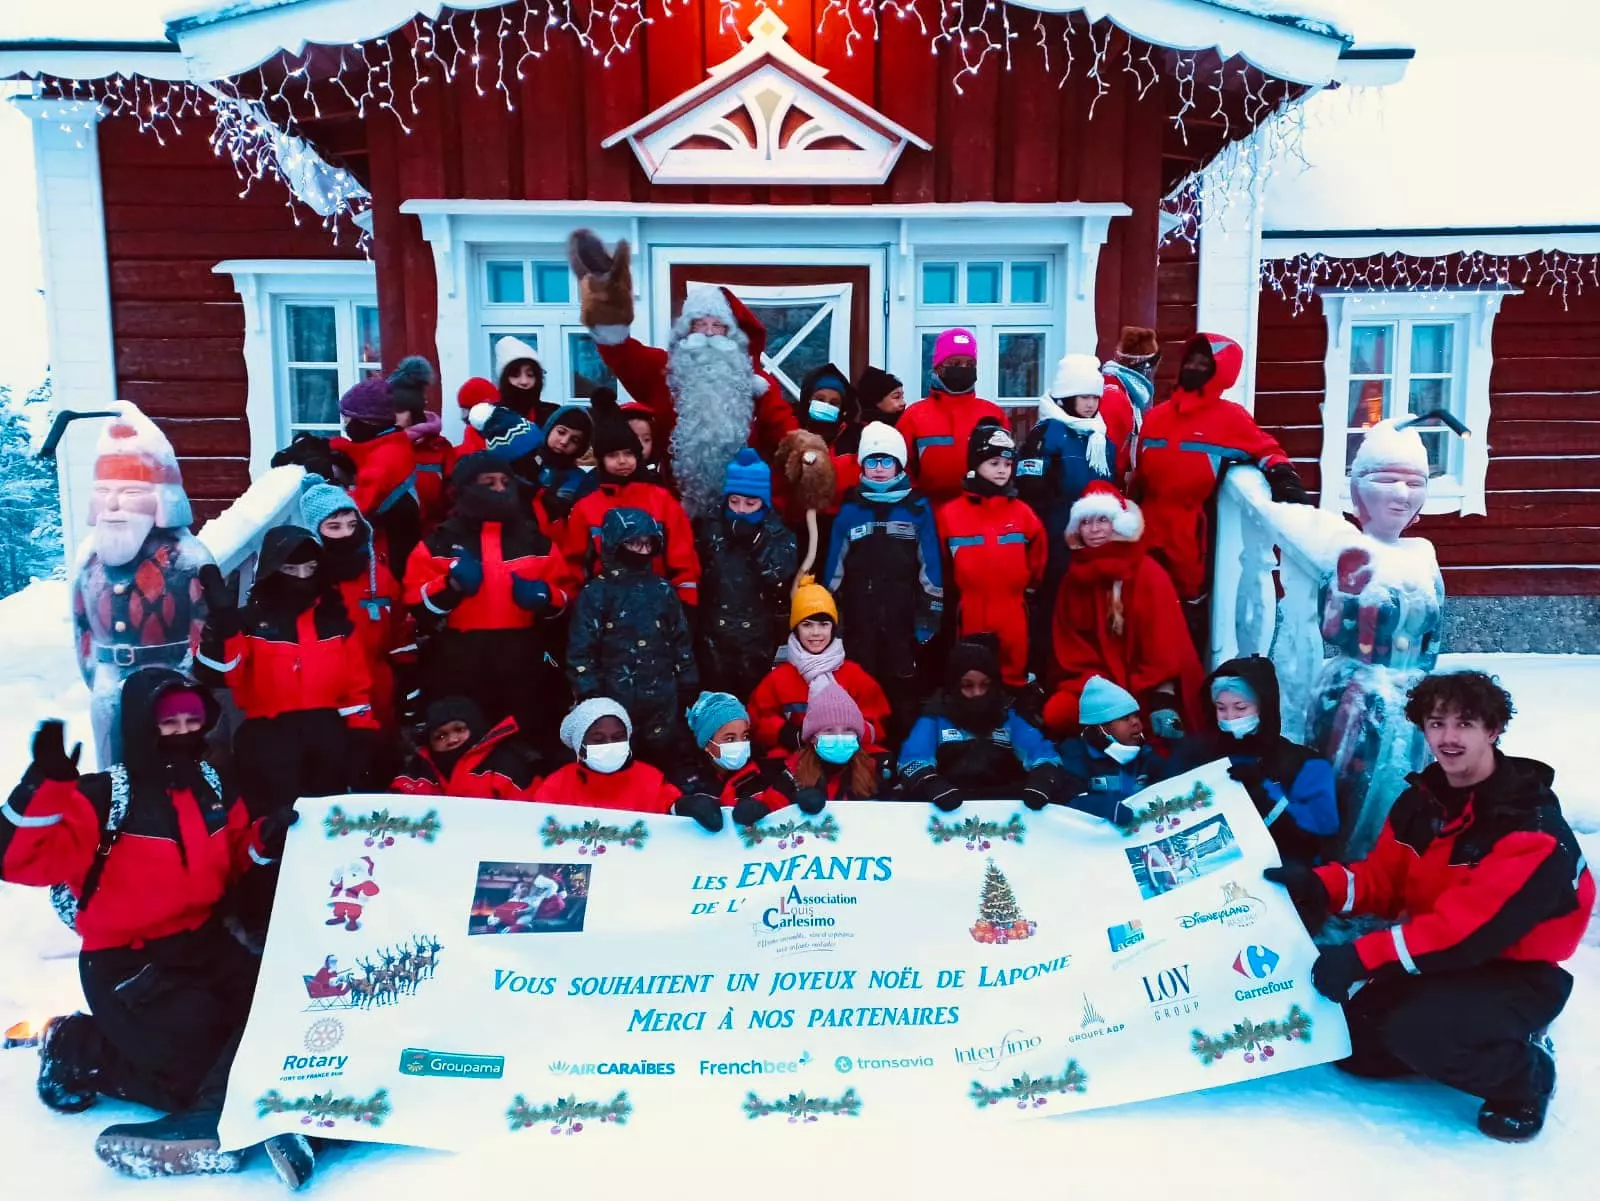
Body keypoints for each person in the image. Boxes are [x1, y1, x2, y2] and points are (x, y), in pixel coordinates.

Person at [1264, 671, 1594, 1143]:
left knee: (1422, 1034)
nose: (1449, 738)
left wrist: (1361, 957)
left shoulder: (1528, 828)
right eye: (1437, 724)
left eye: (1466, 724)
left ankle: (1527, 1076)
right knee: (1356, 1049)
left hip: (1515, 970)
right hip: (1442, 954)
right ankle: (1454, 1030)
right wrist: (1319, 886)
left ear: (1494, 730)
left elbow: (1463, 932)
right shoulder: (1423, 802)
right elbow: (1384, 881)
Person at [2, 671, 305, 1184]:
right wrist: (44, 785)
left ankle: (226, 1106)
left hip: (206, 944)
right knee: (193, 1072)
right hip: (129, 963)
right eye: (169, 722)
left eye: (192, 719)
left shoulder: (210, 787)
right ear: (142, 727)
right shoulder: (102, 798)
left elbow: (230, 858)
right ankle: (76, 1047)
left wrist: (264, 838)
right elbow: (16, 860)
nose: (183, 731)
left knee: (283, 1005)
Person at [568, 230, 796, 516]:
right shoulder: (663, 371)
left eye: (718, 325)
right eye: (701, 324)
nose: (710, 333)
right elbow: (622, 354)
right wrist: (609, 313)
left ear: (731, 332)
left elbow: (783, 429)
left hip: (742, 510)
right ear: (688, 330)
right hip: (676, 508)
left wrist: (804, 453)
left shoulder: (756, 382)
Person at [1133, 332, 1311, 626]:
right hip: (1147, 522)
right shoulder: (1157, 416)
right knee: (1142, 601)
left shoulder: (1231, 418)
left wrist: (1283, 477)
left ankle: (1184, 670)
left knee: (1185, 608)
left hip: (1191, 531)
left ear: (1221, 371)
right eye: (1191, 360)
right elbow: (1139, 469)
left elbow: (1266, 449)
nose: (1195, 366)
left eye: (1205, 362)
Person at [196, 527, 378, 814]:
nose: (303, 577)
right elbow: (222, 673)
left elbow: (356, 691)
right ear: (272, 569)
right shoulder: (251, 622)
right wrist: (222, 623)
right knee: (274, 827)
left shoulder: (336, 620)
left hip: (327, 741)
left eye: (311, 568)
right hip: (268, 743)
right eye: (292, 569)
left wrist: (362, 740)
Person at [71, 402, 213, 769]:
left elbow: (203, 619)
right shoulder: (89, 557)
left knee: (172, 761)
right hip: (108, 680)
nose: (115, 504)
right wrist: (96, 675)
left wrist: (186, 676)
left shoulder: (188, 557)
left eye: (131, 493)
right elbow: (81, 623)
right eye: (105, 492)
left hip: (171, 676)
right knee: (112, 763)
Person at [402, 453, 573, 753]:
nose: (499, 488)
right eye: (489, 482)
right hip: (458, 658)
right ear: (466, 488)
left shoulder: (535, 541)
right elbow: (417, 605)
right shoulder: (438, 542)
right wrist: (450, 586)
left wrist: (546, 596)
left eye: (505, 482)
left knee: (525, 739)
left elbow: (565, 595)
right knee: (465, 742)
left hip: (522, 656)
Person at [1041, 481, 1202, 741]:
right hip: (1095, 686)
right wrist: (1101, 691)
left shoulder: (1148, 573)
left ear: (1117, 523)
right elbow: (1070, 649)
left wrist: (1142, 691)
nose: (1094, 530)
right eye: (1085, 522)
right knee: (1057, 714)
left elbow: (1163, 647)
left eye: (1102, 520)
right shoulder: (1072, 581)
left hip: (1149, 685)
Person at [823, 421, 943, 745]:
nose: (878, 469)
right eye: (872, 462)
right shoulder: (850, 509)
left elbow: (930, 564)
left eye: (886, 461)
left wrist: (930, 611)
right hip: (860, 615)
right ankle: (865, 750)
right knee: (861, 682)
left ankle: (904, 751)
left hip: (903, 616)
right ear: (862, 465)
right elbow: (834, 566)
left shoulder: (916, 508)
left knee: (903, 684)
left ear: (899, 465)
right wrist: (830, 613)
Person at [567, 508, 700, 769]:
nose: (640, 550)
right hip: (613, 698)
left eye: (646, 544)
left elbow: (680, 638)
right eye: (633, 543)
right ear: (615, 542)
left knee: (662, 758)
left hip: (661, 696)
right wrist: (589, 693)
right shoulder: (596, 593)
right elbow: (581, 649)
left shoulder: (662, 590)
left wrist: (688, 681)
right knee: (616, 759)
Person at [1018, 353, 1123, 681]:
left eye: (1096, 397)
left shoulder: (1100, 438)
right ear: (1066, 397)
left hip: (1094, 543)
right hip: (1056, 540)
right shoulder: (1046, 434)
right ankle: (1046, 677)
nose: (1091, 404)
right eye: (1084, 397)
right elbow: (1031, 491)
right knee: (1052, 612)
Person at [558, 390, 700, 610]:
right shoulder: (586, 507)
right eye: (613, 455)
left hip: (657, 606)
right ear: (601, 460)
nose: (622, 461)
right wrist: (575, 607)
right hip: (604, 610)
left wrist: (686, 600)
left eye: (628, 453)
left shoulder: (661, 500)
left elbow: (682, 556)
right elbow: (574, 565)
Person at [936, 422, 1046, 693]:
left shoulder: (1022, 513)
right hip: (971, 608)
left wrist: (1028, 589)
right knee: (972, 673)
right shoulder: (950, 514)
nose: (1001, 470)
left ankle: (1013, 719)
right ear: (976, 463)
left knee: (1014, 674)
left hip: (1012, 608)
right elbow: (940, 562)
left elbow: (1038, 554)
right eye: (994, 462)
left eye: (1007, 465)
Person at [897, 637, 1066, 811]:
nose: (977, 693)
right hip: (949, 806)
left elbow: (1040, 750)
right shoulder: (935, 717)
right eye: (967, 686)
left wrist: (1043, 777)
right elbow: (913, 757)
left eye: (984, 685)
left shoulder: (1007, 716)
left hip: (1005, 809)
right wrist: (930, 782)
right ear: (954, 686)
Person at [298, 474, 408, 738]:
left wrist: (406, 668)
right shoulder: (308, 579)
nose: (346, 533)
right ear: (317, 531)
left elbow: (400, 622)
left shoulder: (378, 573)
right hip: (325, 691)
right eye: (334, 527)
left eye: (351, 524)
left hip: (377, 683)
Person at [1207, 657, 1339, 865]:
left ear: (1263, 707)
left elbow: (1322, 831)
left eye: (1240, 708)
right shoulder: (1205, 756)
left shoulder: (1307, 765)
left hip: (1278, 877)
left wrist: (1264, 795)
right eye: (1221, 708)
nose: (1230, 717)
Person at [693, 449, 798, 701]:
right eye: (734, 501)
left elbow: (781, 578)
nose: (740, 510)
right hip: (713, 635)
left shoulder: (777, 532)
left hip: (756, 636)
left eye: (750, 503)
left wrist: (758, 544)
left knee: (755, 700)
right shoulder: (711, 529)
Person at [748, 577, 892, 758]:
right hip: (798, 753)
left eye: (824, 625)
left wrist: (848, 734)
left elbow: (877, 720)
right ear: (796, 629)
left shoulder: (853, 674)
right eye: (807, 625)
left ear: (833, 629)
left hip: (847, 752)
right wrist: (789, 734)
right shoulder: (779, 678)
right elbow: (758, 717)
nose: (816, 633)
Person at [533, 698, 721, 831]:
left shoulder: (649, 779)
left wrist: (687, 805)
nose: (610, 745)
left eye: (618, 738)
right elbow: (536, 827)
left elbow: (669, 803)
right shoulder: (556, 786)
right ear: (579, 747)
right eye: (598, 739)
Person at [896, 329, 1008, 506]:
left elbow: (1007, 464)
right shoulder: (914, 415)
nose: (963, 369)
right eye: (955, 363)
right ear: (938, 368)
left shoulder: (993, 414)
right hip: (928, 515)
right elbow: (902, 469)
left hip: (981, 514)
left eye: (970, 364)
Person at [331, 372, 423, 575]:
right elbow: (364, 451)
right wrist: (330, 447)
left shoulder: (386, 460)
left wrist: (330, 487)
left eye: (348, 418)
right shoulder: (391, 442)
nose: (346, 425)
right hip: (394, 543)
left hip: (392, 552)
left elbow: (358, 506)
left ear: (369, 421)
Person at [1055, 676, 1175, 825]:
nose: (1136, 722)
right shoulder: (1076, 757)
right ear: (1102, 727)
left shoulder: (1145, 756)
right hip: (1101, 843)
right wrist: (1103, 807)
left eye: (1136, 715)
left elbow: (1174, 783)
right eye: (1125, 718)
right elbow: (1065, 805)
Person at [743, 684, 884, 809]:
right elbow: (771, 807)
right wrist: (757, 809)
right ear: (812, 738)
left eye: (848, 730)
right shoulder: (794, 773)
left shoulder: (872, 770)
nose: (839, 737)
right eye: (829, 731)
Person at [391, 696, 543, 800]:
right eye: (440, 736)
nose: (452, 740)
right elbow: (396, 809)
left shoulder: (506, 765)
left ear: (475, 728)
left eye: (459, 729)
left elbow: (528, 816)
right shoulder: (417, 770)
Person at [775, 362, 861, 527]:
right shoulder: (790, 433)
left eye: (834, 403)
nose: (826, 405)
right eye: (820, 399)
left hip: (842, 528)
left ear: (843, 408)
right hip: (794, 527)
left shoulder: (855, 438)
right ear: (808, 400)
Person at [674, 693, 783, 821]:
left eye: (745, 737)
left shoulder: (764, 773)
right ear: (707, 744)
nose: (740, 744)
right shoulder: (686, 780)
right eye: (730, 739)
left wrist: (767, 808)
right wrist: (680, 806)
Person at [388, 355, 449, 527]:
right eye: (389, 410)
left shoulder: (438, 449)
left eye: (399, 410)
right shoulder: (378, 446)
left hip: (431, 542)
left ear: (414, 411)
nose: (393, 416)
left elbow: (455, 499)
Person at [492, 335, 549, 424]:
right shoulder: (490, 417)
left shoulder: (551, 415)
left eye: (530, 375)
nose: (524, 381)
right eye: (515, 375)